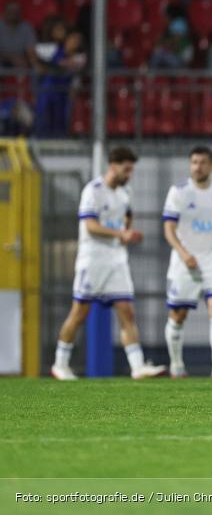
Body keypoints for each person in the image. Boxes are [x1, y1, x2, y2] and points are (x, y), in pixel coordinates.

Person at [51, 147, 167, 381]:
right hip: (92, 259)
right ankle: (59, 364)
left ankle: (137, 367)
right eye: (126, 169)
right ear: (113, 166)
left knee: (126, 311)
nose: (129, 174)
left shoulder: (125, 193)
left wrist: (127, 231)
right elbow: (90, 226)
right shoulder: (93, 191)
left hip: (116, 260)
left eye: (131, 169)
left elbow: (127, 216)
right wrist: (120, 234)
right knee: (79, 312)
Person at [162, 147, 212, 379]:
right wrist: (183, 253)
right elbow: (168, 228)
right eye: (194, 162)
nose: (198, 166)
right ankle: (176, 366)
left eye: (203, 162)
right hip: (185, 260)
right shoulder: (178, 192)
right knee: (178, 314)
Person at [34, 29, 86, 138]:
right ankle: (40, 137)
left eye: (78, 41)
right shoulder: (53, 49)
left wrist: (60, 64)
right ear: (67, 40)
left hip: (63, 93)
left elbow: (73, 66)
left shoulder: (80, 57)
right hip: (48, 89)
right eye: (74, 39)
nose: (76, 42)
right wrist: (42, 66)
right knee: (43, 115)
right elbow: (33, 52)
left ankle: (60, 139)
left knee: (60, 119)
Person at [0, 1, 37, 68]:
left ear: (20, 12)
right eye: (10, 10)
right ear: (5, 11)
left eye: (16, 10)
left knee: (34, 69)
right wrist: (11, 58)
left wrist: (35, 64)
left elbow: (31, 51)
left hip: (21, 62)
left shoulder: (27, 27)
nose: (13, 13)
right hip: (2, 61)